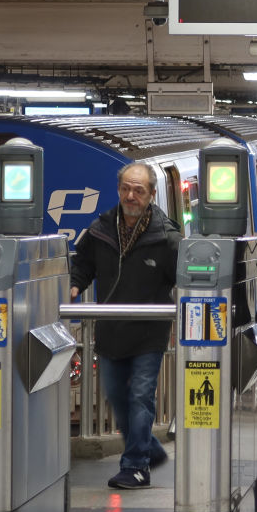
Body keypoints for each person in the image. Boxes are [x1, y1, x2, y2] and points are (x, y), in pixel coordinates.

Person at [70, 162, 181, 489]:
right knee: (118, 398)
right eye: (125, 189)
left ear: (152, 194)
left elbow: (186, 278)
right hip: (111, 330)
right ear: (119, 189)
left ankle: (135, 467)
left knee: (140, 397)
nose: (131, 196)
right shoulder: (100, 230)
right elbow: (83, 263)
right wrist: (75, 284)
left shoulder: (166, 237)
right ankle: (151, 448)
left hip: (149, 332)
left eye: (139, 190)